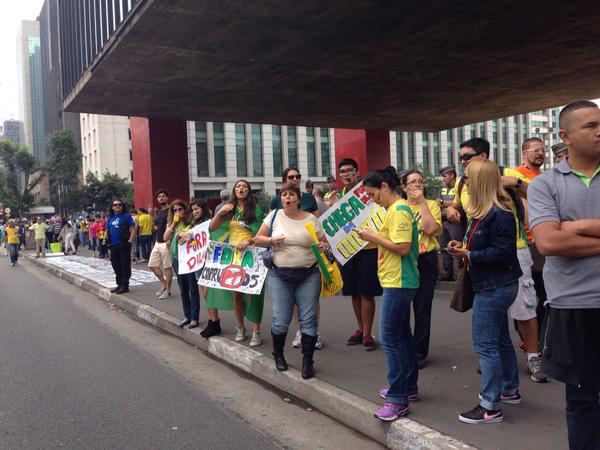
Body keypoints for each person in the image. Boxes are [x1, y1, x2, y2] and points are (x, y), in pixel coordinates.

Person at [528, 100, 600, 449]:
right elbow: (548, 241)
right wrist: (563, 234)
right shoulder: (545, 185)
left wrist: (581, 226)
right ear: (565, 136)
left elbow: (562, 236)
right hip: (573, 305)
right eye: (591, 125)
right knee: (583, 399)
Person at [446, 137, 545, 380]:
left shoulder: (507, 174)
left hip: (514, 251)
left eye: (467, 157)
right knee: (491, 310)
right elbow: (458, 207)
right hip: (477, 254)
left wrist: (517, 182)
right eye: (461, 157)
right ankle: (494, 360)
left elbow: (540, 195)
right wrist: (451, 209)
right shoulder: (462, 183)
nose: (462, 162)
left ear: (483, 156)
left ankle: (533, 358)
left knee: (523, 307)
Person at [447, 159, 522, 425]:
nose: (464, 182)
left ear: (480, 182)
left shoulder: (498, 213)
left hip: (494, 287)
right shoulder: (485, 211)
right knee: (500, 339)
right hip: (495, 285)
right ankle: (509, 390)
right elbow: (485, 245)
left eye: (468, 178)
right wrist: (463, 245)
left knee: (486, 345)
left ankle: (490, 406)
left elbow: (503, 253)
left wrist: (469, 253)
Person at [354, 166, 420, 421]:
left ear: (384, 186)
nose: (372, 200)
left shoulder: (399, 211)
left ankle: (397, 398)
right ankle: (407, 387)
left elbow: (402, 248)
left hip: (399, 282)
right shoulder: (395, 210)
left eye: (372, 194)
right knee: (402, 337)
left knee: (391, 339)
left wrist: (372, 236)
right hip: (397, 280)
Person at [254, 183, 330, 378]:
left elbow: (325, 242)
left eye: (291, 195)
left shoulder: (311, 219)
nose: (287, 198)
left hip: (308, 276)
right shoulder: (274, 216)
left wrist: (323, 246)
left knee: (309, 321)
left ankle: (308, 361)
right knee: (280, 321)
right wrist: (271, 241)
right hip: (280, 276)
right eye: (284, 195)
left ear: (299, 199)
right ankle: (278, 355)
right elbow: (257, 238)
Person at [207, 180, 266, 345]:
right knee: (236, 293)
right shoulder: (228, 209)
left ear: (249, 191)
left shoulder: (256, 209)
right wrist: (220, 213)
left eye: (245, 187)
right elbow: (212, 227)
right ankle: (240, 327)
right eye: (238, 186)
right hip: (233, 256)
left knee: (253, 294)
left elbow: (261, 232)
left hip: (252, 254)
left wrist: (249, 241)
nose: (241, 189)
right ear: (234, 190)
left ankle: (256, 331)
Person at [339, 158, 383, 351]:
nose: (346, 174)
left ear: (357, 172)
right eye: (342, 172)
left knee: (366, 292)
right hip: (349, 250)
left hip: (369, 248)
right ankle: (360, 328)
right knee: (354, 292)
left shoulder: (367, 190)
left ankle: (367, 333)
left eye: (349, 171)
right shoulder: (339, 195)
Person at [400, 169, 442, 368]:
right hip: (404, 261)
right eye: (413, 182)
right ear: (404, 186)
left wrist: (423, 203)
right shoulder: (399, 207)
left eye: (421, 182)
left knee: (422, 308)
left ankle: (419, 352)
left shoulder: (431, 205)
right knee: (402, 307)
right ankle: (404, 347)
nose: (417, 185)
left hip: (426, 260)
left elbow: (431, 229)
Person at [163, 200, 202, 329]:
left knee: (192, 288)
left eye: (180, 209)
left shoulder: (190, 222)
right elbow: (165, 237)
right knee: (183, 288)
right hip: (177, 259)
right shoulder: (172, 223)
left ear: (185, 210)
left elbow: (196, 236)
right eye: (175, 210)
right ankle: (187, 315)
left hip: (189, 259)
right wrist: (174, 223)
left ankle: (194, 318)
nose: (178, 212)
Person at [437, 165, 464, 281]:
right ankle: (447, 274)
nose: (443, 179)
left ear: (452, 175)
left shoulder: (460, 186)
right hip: (443, 220)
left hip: (456, 222)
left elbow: (459, 203)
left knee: (457, 247)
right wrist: (448, 203)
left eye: (445, 176)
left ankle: (461, 274)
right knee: (444, 248)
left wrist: (444, 202)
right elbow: (438, 203)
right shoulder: (442, 189)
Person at [106, 198, 136, 294]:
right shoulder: (110, 218)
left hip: (124, 244)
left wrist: (129, 241)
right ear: (112, 207)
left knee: (125, 265)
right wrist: (105, 239)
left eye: (119, 204)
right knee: (115, 265)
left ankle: (125, 286)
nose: (117, 206)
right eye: (115, 205)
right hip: (113, 246)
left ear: (122, 206)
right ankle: (119, 284)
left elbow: (133, 229)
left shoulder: (126, 216)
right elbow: (107, 230)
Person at [148, 189, 174, 299]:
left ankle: (168, 290)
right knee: (152, 265)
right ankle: (164, 284)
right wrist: (151, 215)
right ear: (157, 199)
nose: (161, 198)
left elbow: (173, 226)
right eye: (159, 196)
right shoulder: (158, 212)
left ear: (167, 198)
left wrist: (169, 240)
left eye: (163, 196)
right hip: (158, 242)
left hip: (166, 242)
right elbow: (156, 225)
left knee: (167, 267)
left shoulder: (171, 211)